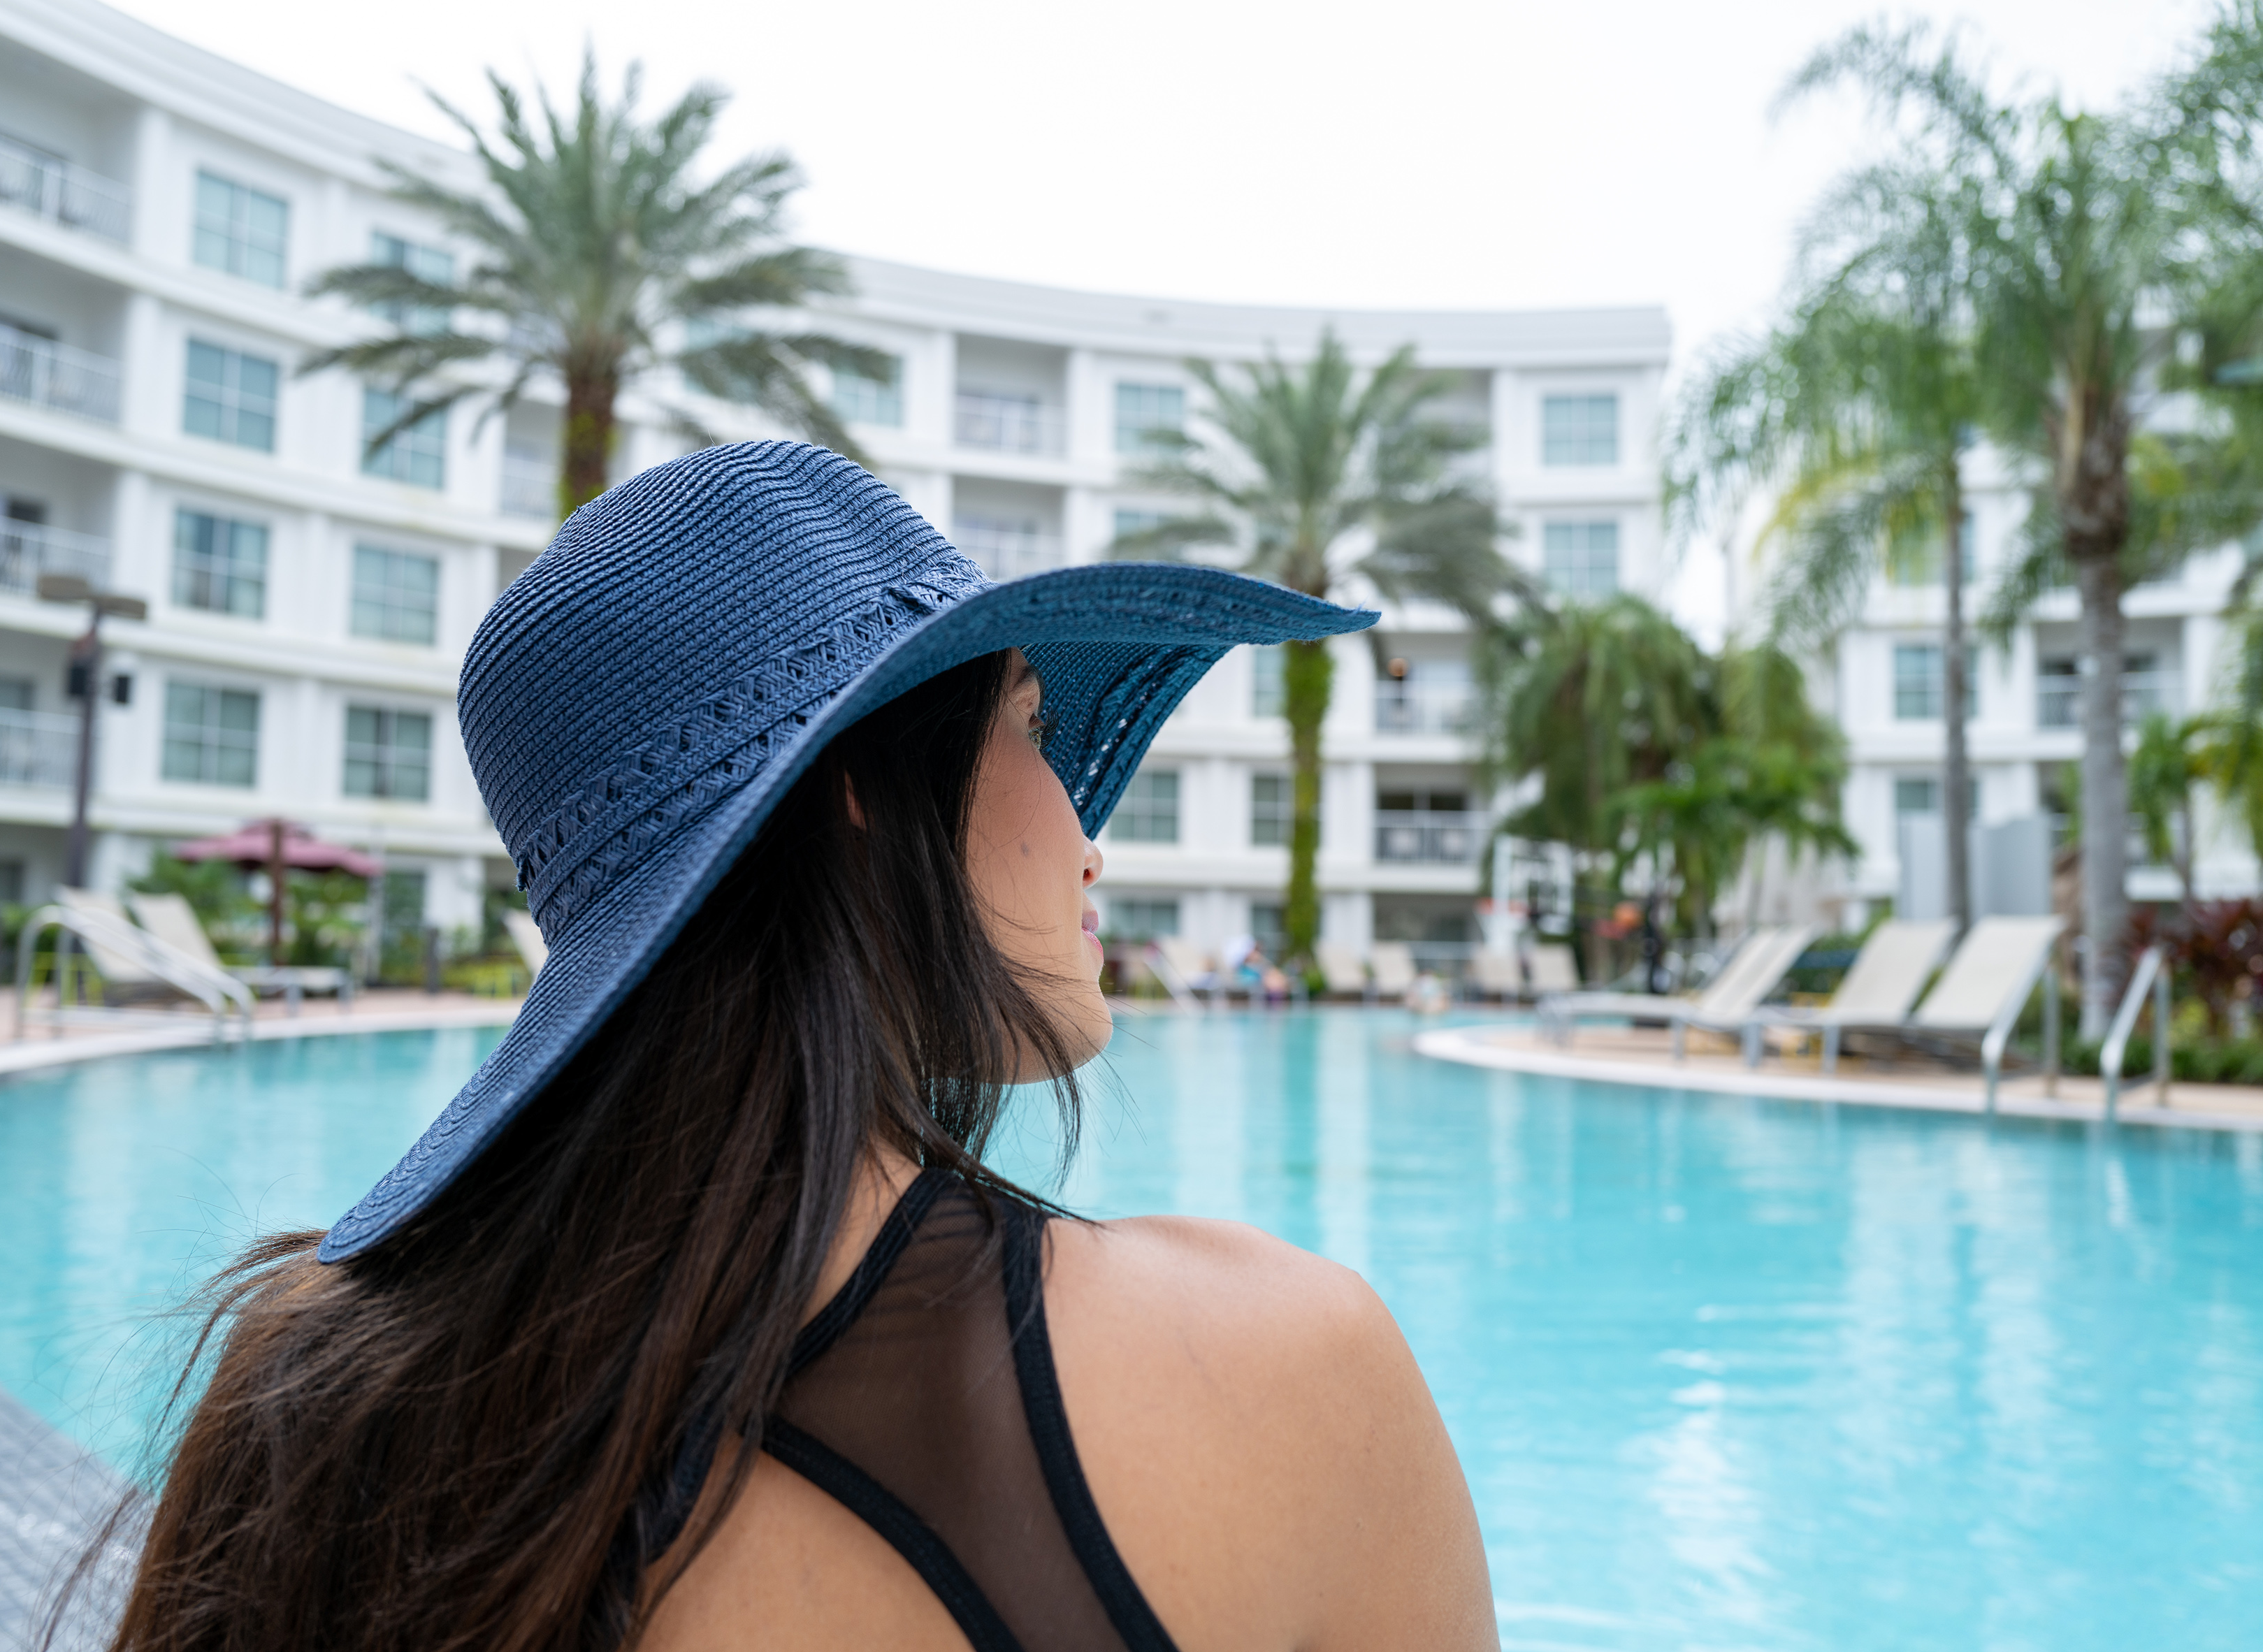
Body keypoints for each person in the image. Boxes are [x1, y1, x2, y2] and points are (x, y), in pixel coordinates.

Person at [77, 442, 1496, 1652]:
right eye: (1027, 723)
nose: (1084, 831)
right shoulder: (1281, 1379)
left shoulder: (313, 1405)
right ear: (865, 787)